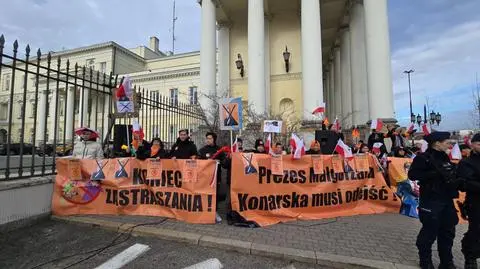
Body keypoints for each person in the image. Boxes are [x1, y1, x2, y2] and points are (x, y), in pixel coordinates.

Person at [408, 131, 462, 269]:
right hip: (431, 200)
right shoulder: (423, 158)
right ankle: (425, 261)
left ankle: (446, 262)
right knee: (429, 232)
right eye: (447, 142)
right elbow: (413, 174)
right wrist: (435, 173)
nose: (449, 144)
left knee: (448, 232)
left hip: (447, 200)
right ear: (437, 143)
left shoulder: (445, 157)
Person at [457, 133, 480, 269]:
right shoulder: (466, 162)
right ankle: (470, 256)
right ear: (472, 145)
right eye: (479, 144)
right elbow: (464, 183)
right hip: (476, 202)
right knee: (476, 230)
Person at [198, 132, 225, 223]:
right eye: (207, 138)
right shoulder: (202, 150)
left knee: (215, 194)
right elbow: (198, 163)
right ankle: (206, 211)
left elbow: (224, 163)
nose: (208, 140)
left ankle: (214, 212)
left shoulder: (219, 150)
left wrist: (220, 161)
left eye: (210, 138)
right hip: (205, 177)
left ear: (214, 139)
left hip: (216, 176)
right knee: (205, 194)